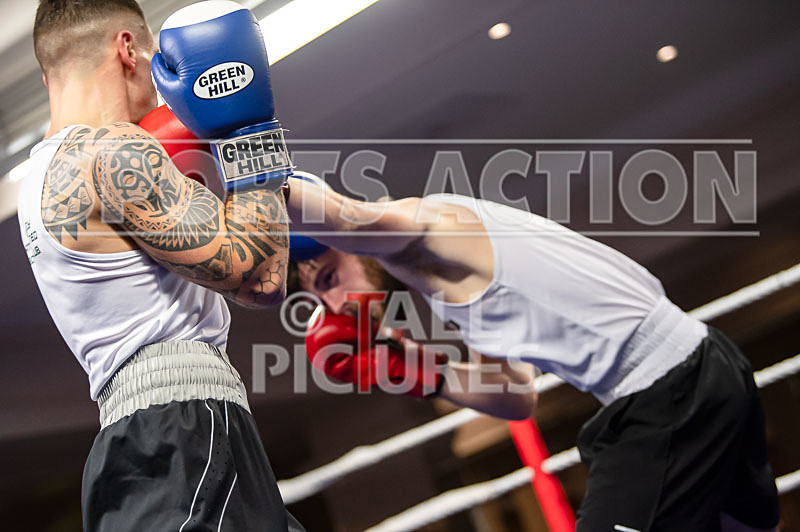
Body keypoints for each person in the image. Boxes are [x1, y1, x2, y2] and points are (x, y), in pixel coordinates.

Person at [281, 176, 780, 531]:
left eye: (329, 279)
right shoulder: (438, 281)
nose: (333, 304)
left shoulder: (420, 223)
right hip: (697, 371)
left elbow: (346, 220)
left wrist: (254, 171)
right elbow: (513, 396)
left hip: (671, 392)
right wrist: (408, 365)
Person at [18, 1, 302, 529]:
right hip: (185, 430)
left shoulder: (36, 183)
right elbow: (259, 277)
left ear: (47, 72)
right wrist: (250, 132)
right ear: (129, 50)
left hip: (144, 436)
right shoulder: (115, 151)